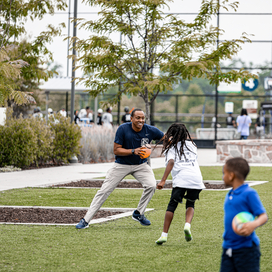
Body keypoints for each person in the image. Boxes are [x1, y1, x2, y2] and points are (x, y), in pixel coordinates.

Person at [76, 109, 164, 229]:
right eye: (138, 118)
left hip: (141, 165)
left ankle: (138, 213)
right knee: (104, 190)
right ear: (131, 118)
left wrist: (175, 141)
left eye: (143, 118)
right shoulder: (123, 129)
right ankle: (85, 220)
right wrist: (133, 151)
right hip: (121, 165)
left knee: (151, 185)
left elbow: (166, 139)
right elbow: (116, 150)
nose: (141, 120)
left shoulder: (150, 130)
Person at [155, 123, 205, 245]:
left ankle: (164, 235)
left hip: (182, 178)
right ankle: (187, 225)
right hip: (196, 178)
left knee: (172, 206)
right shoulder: (193, 146)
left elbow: (171, 162)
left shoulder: (171, 148)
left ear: (171, 135)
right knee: (190, 203)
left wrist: (163, 180)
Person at [220, 157, 268, 272]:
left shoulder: (249, 193)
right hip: (228, 247)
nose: (223, 177)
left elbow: (263, 216)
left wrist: (253, 224)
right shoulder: (230, 193)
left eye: (224, 173)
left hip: (246, 250)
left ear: (231, 175)